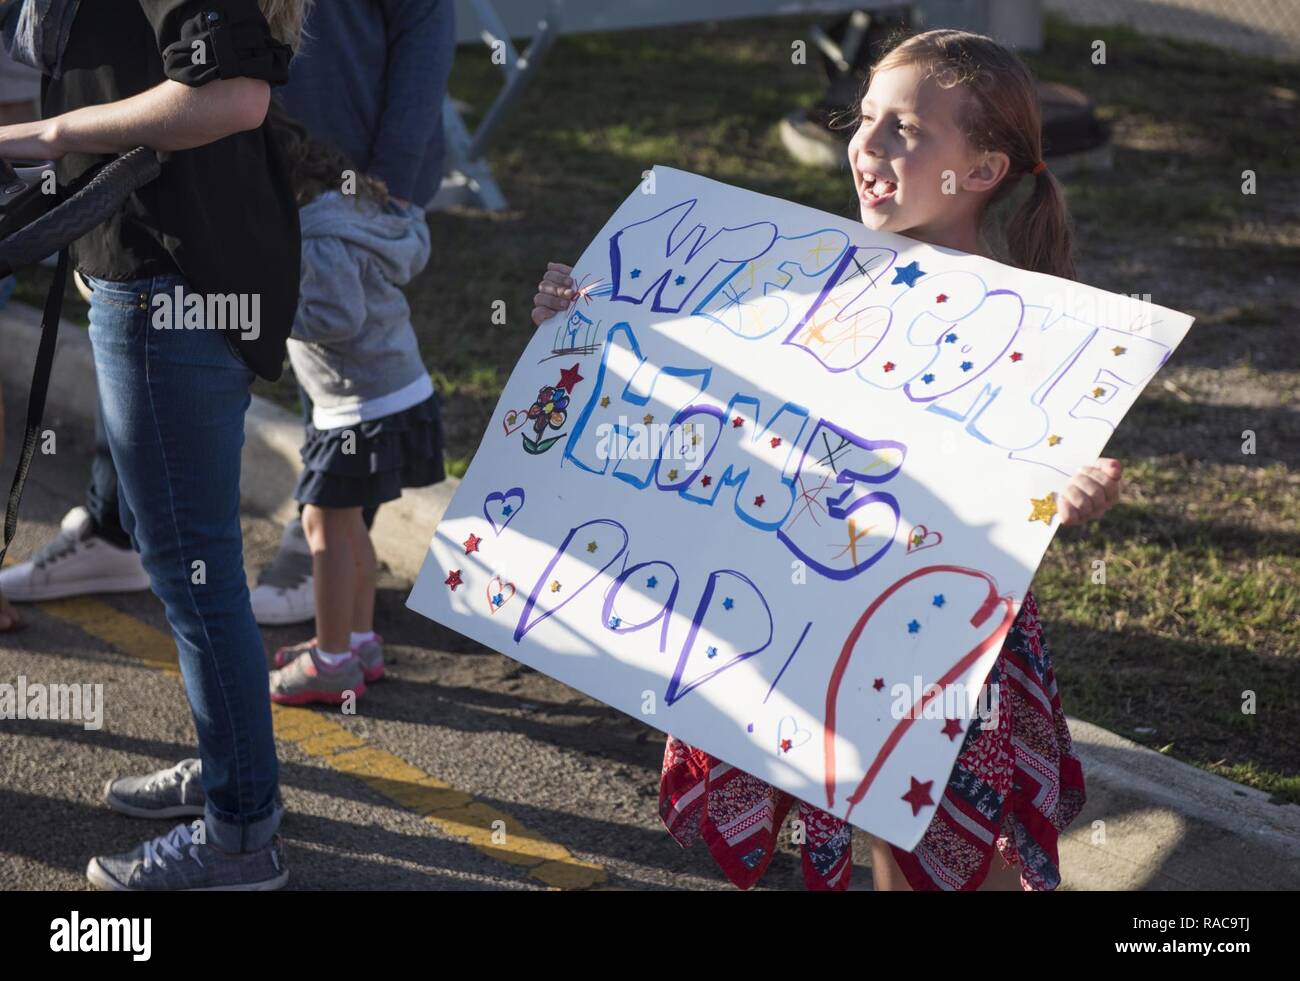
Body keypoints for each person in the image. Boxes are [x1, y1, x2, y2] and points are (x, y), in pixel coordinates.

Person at [529, 29, 1123, 891]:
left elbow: (1044, 455)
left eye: (906, 131)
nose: (868, 145)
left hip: (947, 633)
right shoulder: (801, 272)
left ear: (985, 171)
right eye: (866, 117)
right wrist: (584, 316)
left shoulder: (1021, 323)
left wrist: (1068, 485)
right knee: (872, 817)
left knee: (943, 848)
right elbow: (691, 378)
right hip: (814, 607)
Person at [0, 0, 456, 629]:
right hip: (228, 166)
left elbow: (422, 30)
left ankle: (325, 583)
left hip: (323, 176)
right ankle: (115, 528)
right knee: (151, 364)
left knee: (312, 385)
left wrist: (391, 183)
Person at [0, 0, 310, 890]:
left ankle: (242, 835)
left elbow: (233, 97)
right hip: (166, 271)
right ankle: (234, 785)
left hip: (167, 281)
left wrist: (46, 132)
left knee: (192, 570)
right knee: (191, 568)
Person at [263, 107, 445, 705]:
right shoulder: (352, 214)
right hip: (385, 398)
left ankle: (332, 658)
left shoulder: (316, 236)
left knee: (322, 525)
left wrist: (268, 310)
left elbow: (339, 317)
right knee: (344, 524)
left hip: (359, 409)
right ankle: (359, 641)